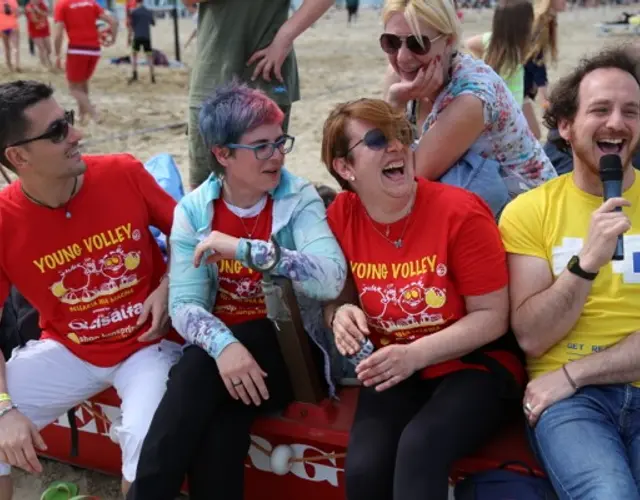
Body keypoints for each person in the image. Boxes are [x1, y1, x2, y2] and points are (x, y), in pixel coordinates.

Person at [127, 82, 347, 500]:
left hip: (290, 351)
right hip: (225, 358)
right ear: (223, 154)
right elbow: (186, 304)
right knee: (220, 428)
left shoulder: (297, 198)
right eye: (261, 146)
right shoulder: (194, 210)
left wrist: (246, 250)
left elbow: (330, 277)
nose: (278, 155)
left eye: (279, 141)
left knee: (194, 373)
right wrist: (224, 346)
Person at [321, 98, 525, 500]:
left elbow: (492, 317)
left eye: (403, 134)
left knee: (420, 446)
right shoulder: (341, 215)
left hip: (474, 364)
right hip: (395, 366)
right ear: (345, 168)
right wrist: (339, 313)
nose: (397, 146)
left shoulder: (460, 212)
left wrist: (414, 355)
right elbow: (338, 295)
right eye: (378, 139)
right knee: (364, 469)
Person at [0, 80, 182, 499]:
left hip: (148, 346)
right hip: (70, 350)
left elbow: (191, 234)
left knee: (143, 442)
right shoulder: (6, 220)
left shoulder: (122, 172)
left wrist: (170, 282)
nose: (76, 135)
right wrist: (6, 408)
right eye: (57, 132)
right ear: (18, 156)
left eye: (69, 121)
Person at [499, 47, 640, 499]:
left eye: (631, 111)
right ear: (564, 125)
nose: (617, 122)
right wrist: (586, 264)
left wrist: (577, 372)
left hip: (571, 381)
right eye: (600, 109)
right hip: (570, 406)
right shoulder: (528, 212)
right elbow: (533, 338)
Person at [381, 0, 556, 217]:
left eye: (417, 43)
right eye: (391, 42)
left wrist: (395, 104)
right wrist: (394, 102)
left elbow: (409, 178)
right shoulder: (400, 77)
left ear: (449, 41)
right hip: (483, 201)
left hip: (530, 215)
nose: (402, 57)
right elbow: (382, 160)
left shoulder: (471, 97)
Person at [185, 0, 334, 190]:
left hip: (266, 68)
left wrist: (285, 38)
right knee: (203, 186)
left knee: (263, 182)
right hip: (213, 70)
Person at [53, 0, 118, 124]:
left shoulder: (62, 4)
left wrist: (56, 54)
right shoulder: (90, 3)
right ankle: (82, 115)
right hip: (94, 49)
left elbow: (58, 33)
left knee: (73, 88)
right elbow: (113, 21)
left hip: (77, 49)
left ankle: (94, 115)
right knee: (82, 83)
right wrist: (113, 39)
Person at [464, 0, 534, 108]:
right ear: (522, 28)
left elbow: (467, 44)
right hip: (508, 117)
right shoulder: (510, 58)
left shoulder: (491, 40)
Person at [522, 0, 566, 138]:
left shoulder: (547, 19)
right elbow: (533, 59)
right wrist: (543, 94)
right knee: (534, 134)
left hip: (523, 84)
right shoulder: (539, 20)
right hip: (518, 84)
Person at [128, 0, 155, 85]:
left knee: (134, 55)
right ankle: (152, 76)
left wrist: (129, 37)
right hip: (147, 37)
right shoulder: (148, 11)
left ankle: (135, 74)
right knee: (149, 56)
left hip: (137, 36)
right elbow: (153, 23)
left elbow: (131, 26)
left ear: (136, 2)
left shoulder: (134, 12)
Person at [24, 0, 52, 70]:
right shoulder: (28, 7)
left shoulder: (41, 3)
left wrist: (37, 10)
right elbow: (34, 20)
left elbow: (47, 14)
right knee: (41, 48)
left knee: (49, 49)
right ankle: (44, 65)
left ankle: (48, 59)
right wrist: (33, 11)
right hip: (35, 31)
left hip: (45, 30)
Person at [0, 0, 19, 72]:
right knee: (9, 47)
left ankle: (14, 65)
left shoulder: (13, 1)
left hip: (11, 26)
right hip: (4, 27)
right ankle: (11, 65)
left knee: (12, 47)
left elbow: (17, 13)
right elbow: (17, 14)